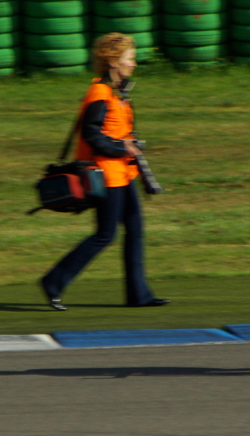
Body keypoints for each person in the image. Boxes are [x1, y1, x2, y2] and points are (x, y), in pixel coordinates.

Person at [40, 32, 169, 311]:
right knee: (105, 235)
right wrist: (123, 149)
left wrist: (129, 146)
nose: (133, 64)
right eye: (129, 59)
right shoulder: (100, 93)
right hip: (106, 176)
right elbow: (92, 135)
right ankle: (53, 281)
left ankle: (139, 294)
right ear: (114, 61)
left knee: (134, 229)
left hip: (124, 174)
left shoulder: (117, 92)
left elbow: (113, 131)